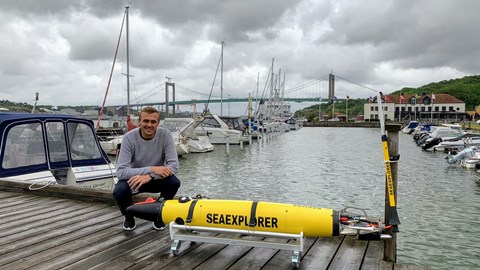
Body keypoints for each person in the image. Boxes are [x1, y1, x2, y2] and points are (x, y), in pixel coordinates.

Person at [113, 106, 181, 231]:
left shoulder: (165, 135)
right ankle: (129, 216)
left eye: (153, 122)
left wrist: (150, 175)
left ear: (158, 123)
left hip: (155, 179)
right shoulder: (129, 138)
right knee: (119, 191)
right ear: (140, 122)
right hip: (135, 180)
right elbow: (121, 172)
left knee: (174, 182)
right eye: (145, 121)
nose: (149, 125)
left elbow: (174, 166)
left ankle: (159, 214)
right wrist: (152, 169)